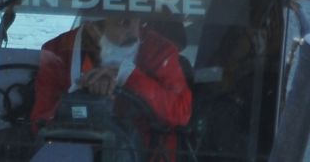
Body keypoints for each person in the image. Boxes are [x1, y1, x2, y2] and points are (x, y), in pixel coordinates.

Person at [31, 15, 192, 156]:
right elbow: (40, 121)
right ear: (92, 26)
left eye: (136, 19)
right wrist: (78, 96)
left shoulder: (160, 51)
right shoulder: (58, 51)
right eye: (122, 21)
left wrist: (128, 75)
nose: (132, 29)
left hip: (147, 155)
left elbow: (180, 113)